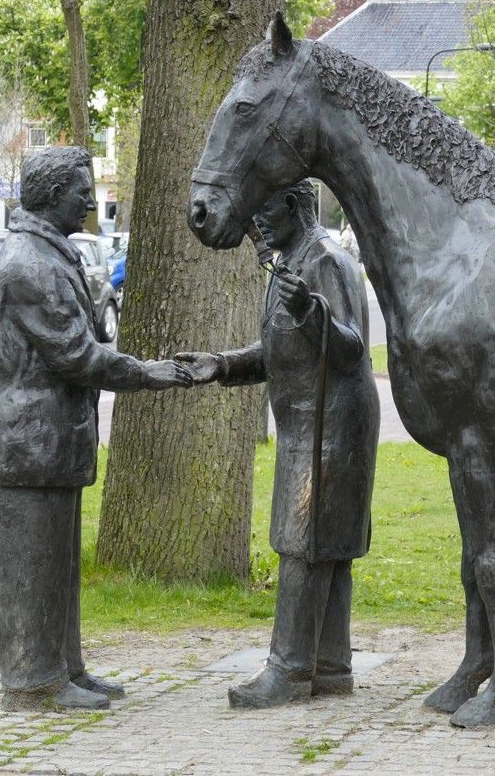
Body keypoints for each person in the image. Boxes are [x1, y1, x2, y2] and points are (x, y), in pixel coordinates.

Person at [0, 146, 192, 712]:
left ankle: (64, 667)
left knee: (58, 565)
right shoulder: (30, 264)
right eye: (81, 190)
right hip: (29, 441)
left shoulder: (54, 253)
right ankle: (31, 681)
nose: (90, 202)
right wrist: (151, 374)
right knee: (31, 566)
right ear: (51, 195)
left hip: (53, 439)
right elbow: (78, 355)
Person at [178, 181, 379, 709]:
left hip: (330, 422)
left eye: (265, 209)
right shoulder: (291, 260)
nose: (257, 221)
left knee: (303, 539)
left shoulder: (326, 261)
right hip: (308, 420)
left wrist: (311, 312)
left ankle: (289, 670)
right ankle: (330, 665)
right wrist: (220, 365)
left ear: (293, 205)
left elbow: (352, 348)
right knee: (323, 542)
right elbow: (277, 351)